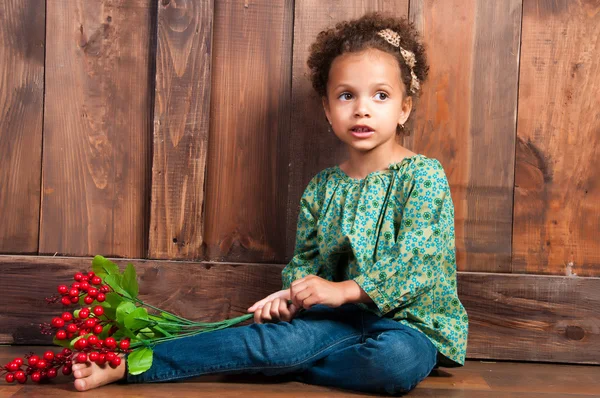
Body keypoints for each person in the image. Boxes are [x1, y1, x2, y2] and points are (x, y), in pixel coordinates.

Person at [71, 12, 468, 395]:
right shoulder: (322, 188)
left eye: (380, 95)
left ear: (404, 108)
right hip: (334, 325)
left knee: (393, 363)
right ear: (329, 110)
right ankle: (132, 363)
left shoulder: (423, 176)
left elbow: (419, 262)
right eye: (346, 96)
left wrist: (344, 290)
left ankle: (285, 363)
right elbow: (305, 265)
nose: (362, 108)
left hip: (407, 327)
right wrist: (291, 298)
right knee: (267, 340)